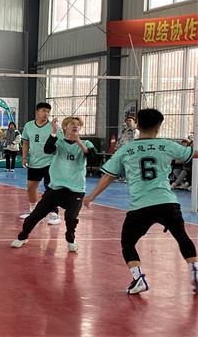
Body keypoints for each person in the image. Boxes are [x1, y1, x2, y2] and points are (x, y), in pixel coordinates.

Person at [83, 109, 197, 294]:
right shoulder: (167, 145)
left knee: (128, 243)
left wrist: (92, 195)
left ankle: (138, 279)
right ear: (158, 128)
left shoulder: (126, 149)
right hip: (167, 203)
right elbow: (194, 154)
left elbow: (108, 176)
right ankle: (195, 272)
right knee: (182, 237)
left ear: (137, 126)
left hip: (141, 206)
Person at [11, 116, 96, 252]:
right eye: (72, 123)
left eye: (78, 124)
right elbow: (47, 149)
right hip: (55, 188)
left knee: (71, 217)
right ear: (65, 127)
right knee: (35, 216)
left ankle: (71, 239)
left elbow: (93, 159)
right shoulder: (58, 142)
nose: (75, 126)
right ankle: (23, 237)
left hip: (76, 189)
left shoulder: (86, 143)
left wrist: (79, 143)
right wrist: (54, 131)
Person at [20, 102, 64, 225]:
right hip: (34, 161)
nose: (46, 114)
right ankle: (33, 210)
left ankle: (54, 213)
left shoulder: (54, 127)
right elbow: (26, 142)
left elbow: (61, 143)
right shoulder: (29, 126)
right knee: (31, 187)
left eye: (48, 111)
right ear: (37, 112)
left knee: (50, 188)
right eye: (44, 111)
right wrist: (24, 157)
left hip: (50, 161)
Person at [114, 116, 140, 182]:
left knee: (129, 164)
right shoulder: (123, 130)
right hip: (121, 149)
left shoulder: (135, 131)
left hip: (130, 150)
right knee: (121, 164)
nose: (128, 122)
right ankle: (123, 177)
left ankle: (129, 178)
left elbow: (135, 140)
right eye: (127, 121)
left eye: (130, 121)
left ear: (134, 122)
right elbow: (119, 139)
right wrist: (117, 148)